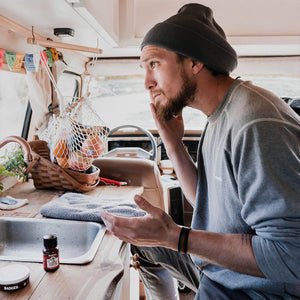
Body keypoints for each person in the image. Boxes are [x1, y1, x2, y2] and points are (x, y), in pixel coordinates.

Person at [100, 3, 300, 299]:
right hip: (219, 272)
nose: (147, 82)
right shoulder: (219, 114)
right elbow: (207, 202)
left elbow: (290, 256)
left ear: (195, 62)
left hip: (251, 290)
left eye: (154, 64)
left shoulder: (255, 124)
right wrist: (172, 142)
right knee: (143, 240)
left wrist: (176, 237)